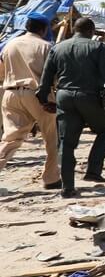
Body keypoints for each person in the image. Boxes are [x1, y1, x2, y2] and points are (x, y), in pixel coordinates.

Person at [35, 17, 105, 198]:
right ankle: (93, 169)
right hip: (91, 96)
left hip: (65, 97)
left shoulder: (57, 47)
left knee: (66, 143)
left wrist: (43, 98)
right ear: (91, 31)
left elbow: (46, 78)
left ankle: (68, 188)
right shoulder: (98, 47)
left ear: (74, 30)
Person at [0, 13, 61, 190]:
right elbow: (54, 75)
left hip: (10, 94)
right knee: (51, 138)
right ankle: (51, 178)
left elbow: (2, 72)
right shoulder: (46, 46)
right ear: (43, 29)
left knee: (11, 139)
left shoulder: (10, 45)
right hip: (38, 96)